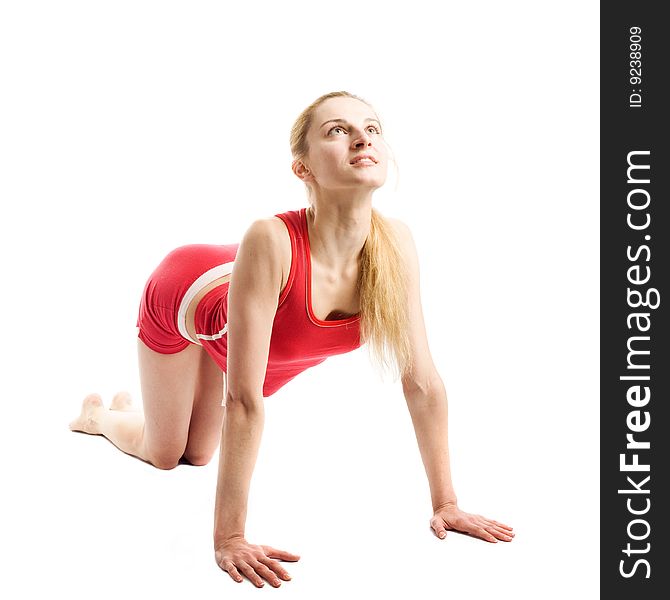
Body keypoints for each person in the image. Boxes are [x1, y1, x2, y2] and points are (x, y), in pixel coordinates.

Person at [69, 91, 514, 588]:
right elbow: (242, 399)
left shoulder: (396, 246)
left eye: (371, 127)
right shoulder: (269, 237)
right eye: (337, 130)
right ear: (303, 170)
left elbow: (423, 383)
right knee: (167, 454)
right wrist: (229, 537)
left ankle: (139, 404)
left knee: (200, 454)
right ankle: (102, 416)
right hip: (188, 298)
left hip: (248, 314)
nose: (362, 135)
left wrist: (446, 503)